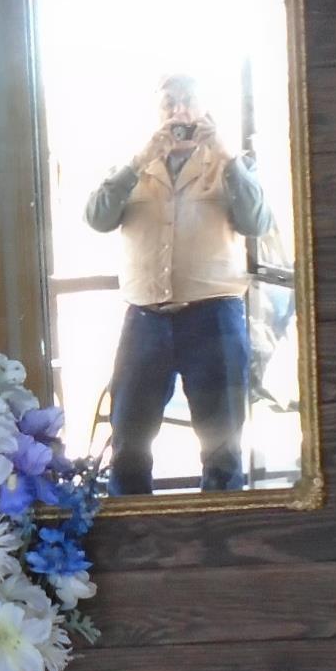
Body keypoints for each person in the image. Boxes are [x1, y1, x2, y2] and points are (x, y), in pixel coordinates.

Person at [82, 73, 270, 493]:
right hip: (145, 319)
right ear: (157, 111)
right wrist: (137, 161)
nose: (179, 111)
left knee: (222, 447)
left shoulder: (230, 164)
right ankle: (135, 536)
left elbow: (257, 221)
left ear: (204, 110)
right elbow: (97, 217)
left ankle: (220, 541)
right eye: (169, 103)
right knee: (128, 439)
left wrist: (224, 152)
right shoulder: (132, 166)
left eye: (188, 102)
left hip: (215, 317)